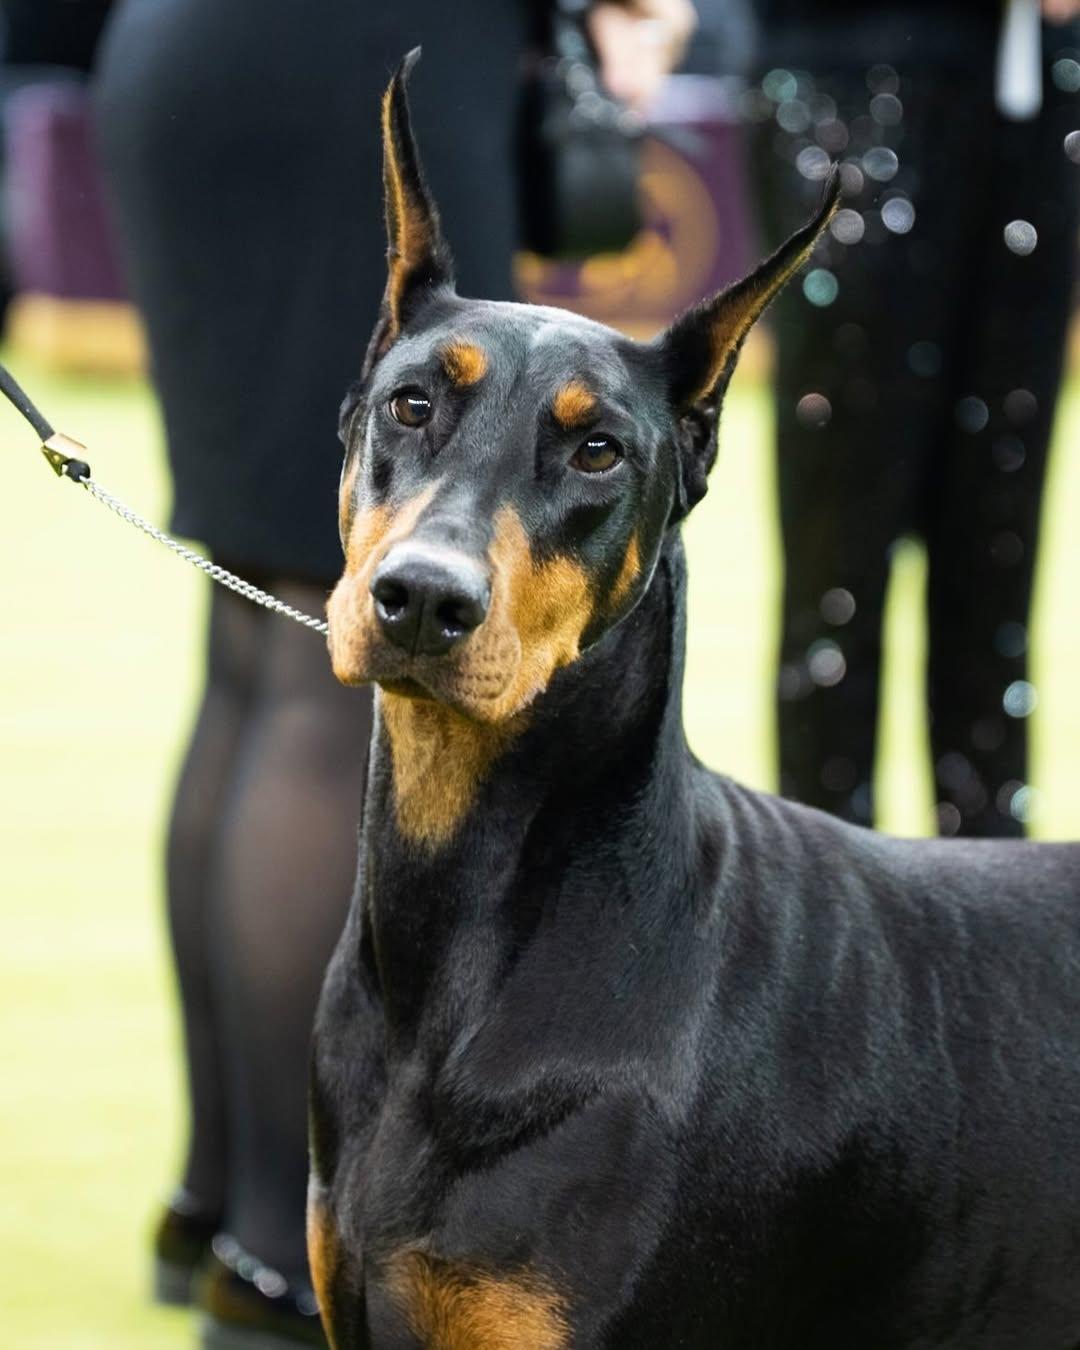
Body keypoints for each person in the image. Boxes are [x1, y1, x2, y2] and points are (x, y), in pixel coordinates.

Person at [92, 1, 695, 1343]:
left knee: (253, 654)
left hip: (182, 56)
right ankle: (273, 1252)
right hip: (365, 66)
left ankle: (214, 1201)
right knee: (319, 682)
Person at [743, 0, 1080, 836]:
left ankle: (993, 893)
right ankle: (825, 892)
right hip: (854, 80)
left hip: (1033, 94)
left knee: (997, 553)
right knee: (838, 564)